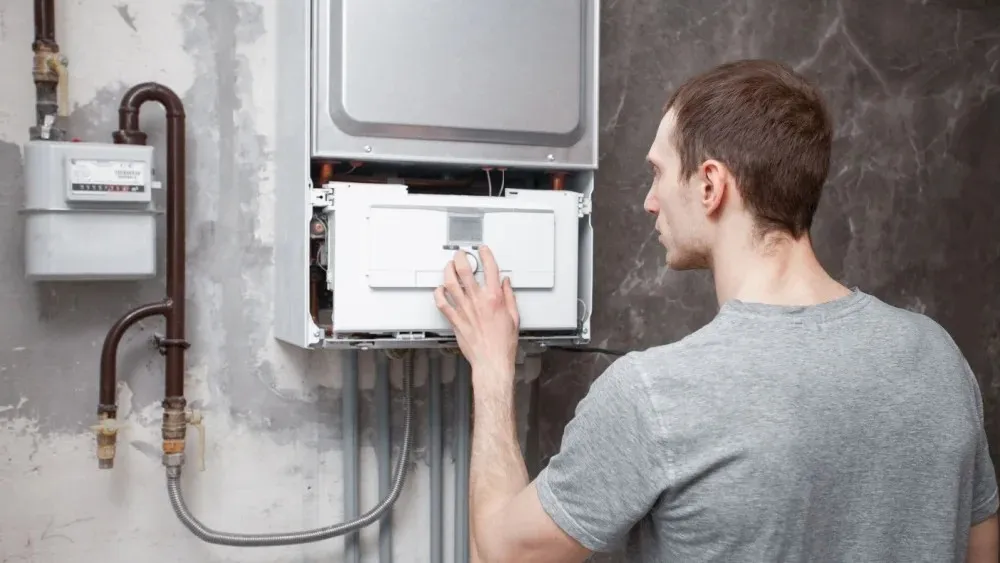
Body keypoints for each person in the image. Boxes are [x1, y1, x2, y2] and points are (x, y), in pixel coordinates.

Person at [433, 59, 999, 562]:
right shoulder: (938, 358)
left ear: (710, 184)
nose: (648, 200)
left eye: (657, 172)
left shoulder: (656, 396)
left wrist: (490, 367)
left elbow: (500, 554)